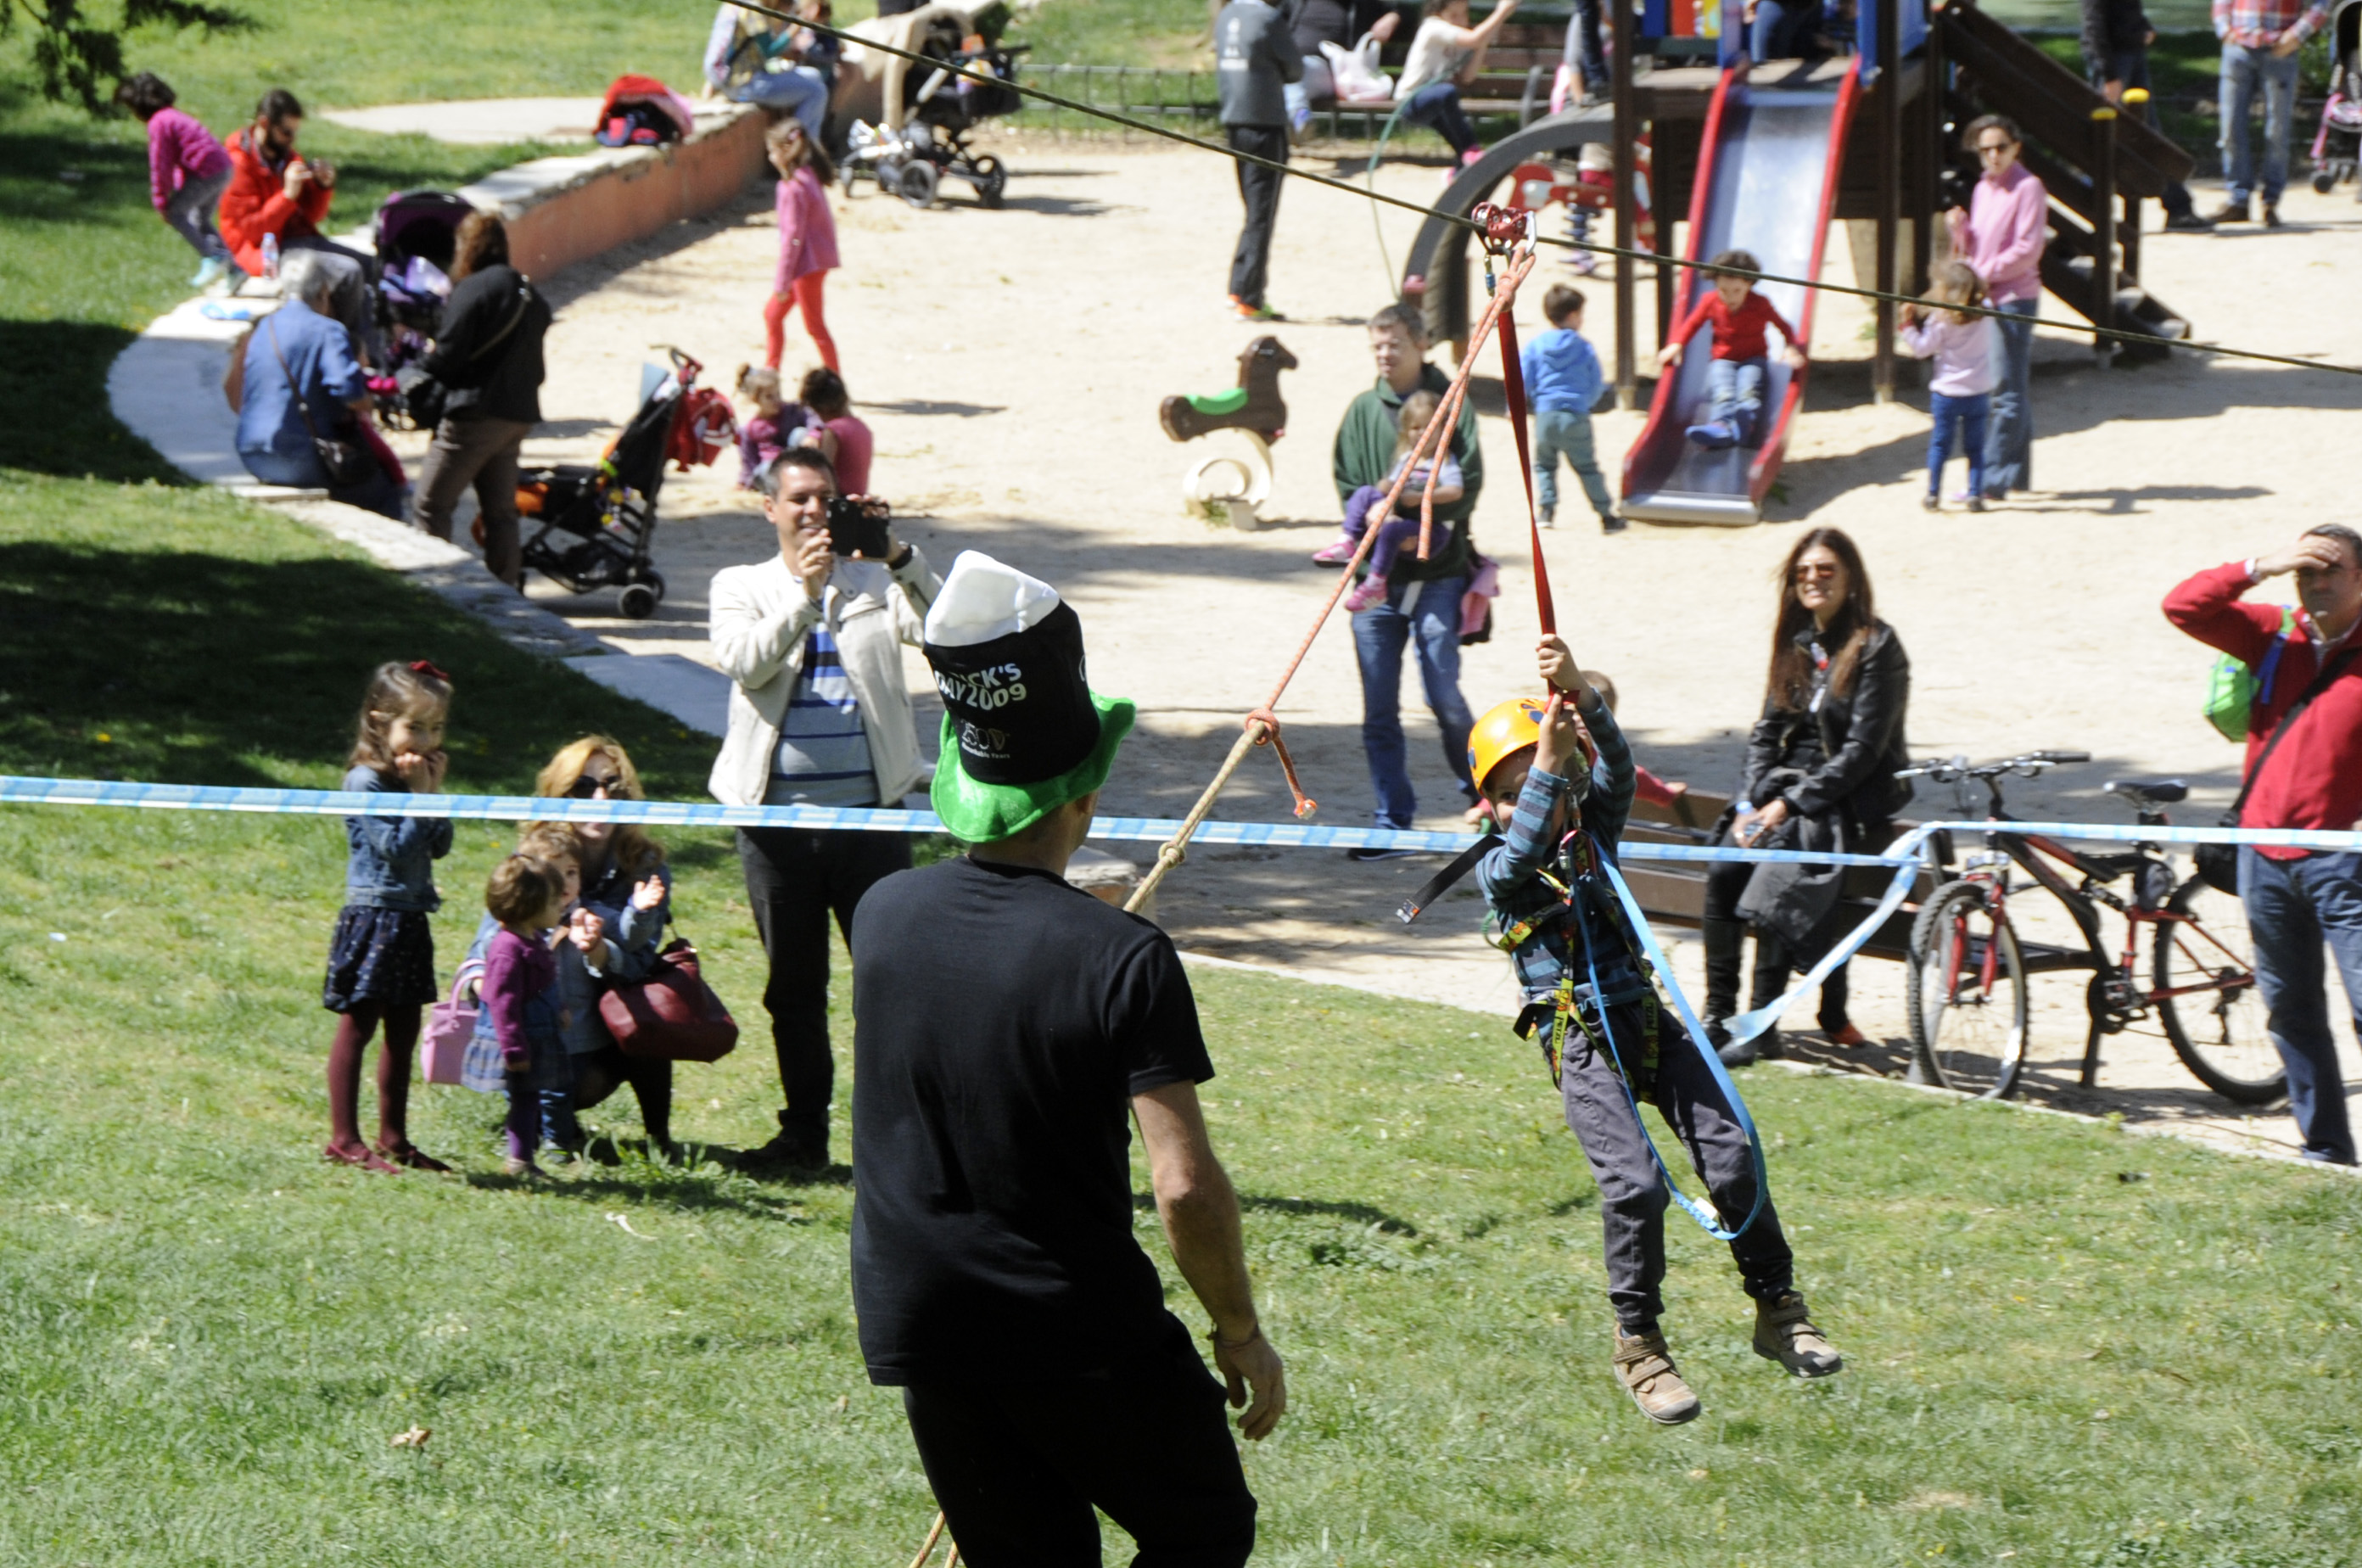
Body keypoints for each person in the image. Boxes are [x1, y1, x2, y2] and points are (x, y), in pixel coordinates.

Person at [852, 550, 1284, 1563]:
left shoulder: (882, 914)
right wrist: (1238, 1329)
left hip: (923, 1319)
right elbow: (1183, 1187)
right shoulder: (1124, 957)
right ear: (1086, 793)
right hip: (1070, 1327)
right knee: (1206, 1529)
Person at [1469, 635, 1840, 1425]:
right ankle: (1638, 1344)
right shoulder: (1497, 867)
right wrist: (1544, 767)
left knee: (1733, 1153)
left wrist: (1580, 701)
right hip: (1580, 1038)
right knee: (1633, 1186)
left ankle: (1779, 1306)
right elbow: (1524, 845)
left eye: (1535, 784)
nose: (1524, 802)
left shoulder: (1592, 834)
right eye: (1504, 793)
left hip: (1645, 1019)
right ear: (1486, 807)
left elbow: (1616, 768)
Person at [708, 448, 941, 1171]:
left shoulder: (873, 581)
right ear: (770, 509)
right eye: (799, 498)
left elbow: (947, 629)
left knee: (891, 987)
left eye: (825, 497)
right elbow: (745, 662)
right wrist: (805, 597)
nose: (813, 510)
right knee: (795, 991)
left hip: (872, 820)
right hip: (777, 825)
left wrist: (899, 554)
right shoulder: (740, 585)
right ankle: (804, 1135)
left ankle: (901, 1144)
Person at [2163, 525, 2362, 1165]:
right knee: (2291, 1012)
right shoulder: (2273, 636)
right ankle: (2326, 1150)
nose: (2316, 582)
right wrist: (2263, 565)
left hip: (2346, 862)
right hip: (2264, 858)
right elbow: (2184, 605)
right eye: (2307, 571)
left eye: (2330, 569)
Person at [1702, 528, 1911, 1067]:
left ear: (1850, 578)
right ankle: (1718, 1015)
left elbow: (1864, 750)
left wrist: (1790, 805)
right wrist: (1750, 802)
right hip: (1781, 796)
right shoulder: (1799, 645)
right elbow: (1765, 733)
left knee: (1779, 871)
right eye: (1803, 573)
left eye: (1825, 570)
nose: (1813, 580)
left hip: (1843, 802)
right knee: (1725, 865)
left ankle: (1758, 1025)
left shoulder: (1878, 646)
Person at [1334, 301, 1486, 854]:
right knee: (1378, 710)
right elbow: (1350, 480)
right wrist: (1371, 519)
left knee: (1443, 693)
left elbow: (1465, 484)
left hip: (1439, 575)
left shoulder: (1454, 404)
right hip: (1375, 582)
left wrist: (1406, 510)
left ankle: (1485, 795)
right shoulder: (1360, 412)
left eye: (1394, 342)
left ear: (1421, 344)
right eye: (1376, 343)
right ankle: (1392, 818)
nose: (1384, 353)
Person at [322, 661, 456, 1174]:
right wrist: (422, 798)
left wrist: (432, 797)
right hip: (374, 916)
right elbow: (395, 849)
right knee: (359, 1026)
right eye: (414, 727)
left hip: (411, 917)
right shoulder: (366, 783)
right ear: (380, 723)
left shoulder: (414, 781)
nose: (425, 741)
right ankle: (343, 1139)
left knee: (403, 1032)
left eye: (436, 729)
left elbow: (439, 845)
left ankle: (394, 1137)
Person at [531, 742, 682, 1157]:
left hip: (616, 1024)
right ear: (559, 796)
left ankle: (659, 1140)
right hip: (550, 1026)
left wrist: (599, 952)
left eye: (612, 788)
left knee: (650, 1000)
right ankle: (547, 1127)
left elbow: (638, 963)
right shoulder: (533, 859)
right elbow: (494, 937)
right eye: (582, 788)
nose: (600, 799)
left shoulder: (647, 867)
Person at [408, 210, 551, 589]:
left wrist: (417, 369)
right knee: (501, 513)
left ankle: (436, 588)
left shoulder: (473, 290)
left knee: (431, 504)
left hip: (475, 415)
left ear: (467, 248)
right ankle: (506, 592)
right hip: (517, 414)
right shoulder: (528, 293)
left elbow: (449, 356)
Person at [229, 250, 406, 519]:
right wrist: (371, 400)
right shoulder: (328, 330)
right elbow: (349, 392)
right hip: (299, 456)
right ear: (323, 291)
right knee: (386, 492)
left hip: (252, 452)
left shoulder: (264, 327)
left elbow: (237, 391)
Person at [217, 88, 380, 359]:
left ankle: (382, 348)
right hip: (266, 249)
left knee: (376, 267)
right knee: (350, 274)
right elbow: (251, 230)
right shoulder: (238, 163)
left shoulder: (287, 156)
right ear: (264, 123)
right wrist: (287, 196)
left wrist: (321, 186)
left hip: (301, 240)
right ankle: (359, 355)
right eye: (286, 132)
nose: (291, 140)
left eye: (295, 132)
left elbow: (312, 216)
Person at [1945, 115, 2046, 500]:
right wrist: (1960, 229)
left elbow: (2027, 249)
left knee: (2005, 392)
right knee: (2011, 386)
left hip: (2015, 297)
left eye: (2000, 147)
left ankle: (1987, 481)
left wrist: (1981, 274)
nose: (1993, 156)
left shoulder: (2029, 187)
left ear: (2016, 147)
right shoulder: (1984, 187)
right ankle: (2016, 474)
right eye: (1985, 149)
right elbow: (1975, 245)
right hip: (1988, 296)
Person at [473, 855, 568, 1178]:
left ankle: (523, 1157)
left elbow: (543, 985)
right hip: (520, 1041)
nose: (561, 907)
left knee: (530, 1099)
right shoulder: (507, 948)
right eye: (554, 901)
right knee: (524, 1100)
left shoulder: (534, 940)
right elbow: (502, 1002)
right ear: (531, 906)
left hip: (538, 1034)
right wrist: (514, 1049)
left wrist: (561, 1010)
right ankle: (519, 1160)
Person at [2079, 0, 2211, 230]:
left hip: (2131, 52)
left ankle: (2179, 207)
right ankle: (2085, 204)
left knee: (2149, 134)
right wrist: (2109, 75)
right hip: (2115, 59)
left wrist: (2143, 27)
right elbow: (2094, 25)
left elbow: (2127, 9)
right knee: (2108, 139)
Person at [1658, 249, 1806, 451]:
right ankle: (1720, 427)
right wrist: (1676, 344)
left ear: (1749, 284)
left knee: (1748, 386)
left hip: (1754, 358)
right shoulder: (1710, 301)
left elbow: (1783, 326)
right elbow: (1692, 324)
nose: (1729, 297)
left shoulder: (1760, 304)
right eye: (1724, 290)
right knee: (1723, 390)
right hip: (1722, 359)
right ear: (1716, 286)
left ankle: (1746, 422)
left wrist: (1790, 347)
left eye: (1737, 291)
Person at [1215, 0, 1302, 322]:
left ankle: (1238, 287)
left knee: (1252, 209)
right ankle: (1250, 298)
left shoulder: (1227, 13)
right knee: (1261, 213)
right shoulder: (1268, 18)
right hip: (1266, 123)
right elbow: (1296, 69)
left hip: (1234, 121)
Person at [2210, 0, 2328, 227]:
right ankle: (2238, 200)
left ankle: (2271, 201)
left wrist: (2295, 36)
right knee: (2230, 128)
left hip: (2279, 49)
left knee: (2277, 131)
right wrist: (2225, 30)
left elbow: (2322, 4)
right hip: (2238, 48)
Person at [114, 72, 234, 291]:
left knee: (177, 213)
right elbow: (183, 156)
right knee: (200, 219)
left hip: (207, 171)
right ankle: (235, 270)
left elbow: (161, 164)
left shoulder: (158, 124)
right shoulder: (173, 116)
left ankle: (212, 257)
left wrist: (161, 202)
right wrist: (180, 186)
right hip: (223, 168)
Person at [1898, 260, 2001, 512]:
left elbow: (1922, 349)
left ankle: (1933, 495)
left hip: (1947, 393)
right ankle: (1975, 495)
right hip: (1978, 391)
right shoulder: (1987, 311)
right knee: (1975, 448)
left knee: (1940, 446)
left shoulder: (1940, 319)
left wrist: (1906, 325)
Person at [1521, 283, 1620, 533]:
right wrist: (1585, 402)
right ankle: (1606, 515)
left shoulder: (1536, 345)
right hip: (1575, 414)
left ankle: (1546, 510)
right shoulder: (1583, 346)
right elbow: (1596, 382)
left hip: (1546, 414)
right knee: (1587, 467)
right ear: (1574, 315)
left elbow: (1523, 377)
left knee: (1544, 464)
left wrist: (1526, 401)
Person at [1394, 0, 1522, 168]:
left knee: (1460, 148)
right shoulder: (1433, 27)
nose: (1461, 21)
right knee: (1447, 93)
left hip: (1437, 103)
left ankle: (1459, 169)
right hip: (1412, 102)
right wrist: (1501, 11)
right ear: (1438, 13)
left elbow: (1468, 77)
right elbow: (1475, 38)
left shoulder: (1457, 39)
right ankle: (1471, 147)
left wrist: (1483, 43)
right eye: (1454, 15)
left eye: (1464, 14)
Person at [764, 119, 841, 373]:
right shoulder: (808, 176)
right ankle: (771, 370)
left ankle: (834, 381)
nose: (770, 156)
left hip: (806, 266)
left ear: (787, 151)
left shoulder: (792, 187)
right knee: (773, 315)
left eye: (773, 150)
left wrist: (782, 282)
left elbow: (792, 239)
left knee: (814, 325)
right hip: (815, 261)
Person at [703, 0, 833, 141]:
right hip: (744, 84)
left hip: (737, 79)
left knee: (814, 76)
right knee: (817, 91)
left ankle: (803, 146)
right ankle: (798, 151)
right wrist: (797, 26)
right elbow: (770, 51)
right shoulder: (753, 9)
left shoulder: (737, 4)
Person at [733, 365, 815, 490]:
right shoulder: (750, 429)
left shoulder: (792, 411)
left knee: (800, 433)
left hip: (792, 462)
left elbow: (813, 419)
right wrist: (743, 482)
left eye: (778, 394)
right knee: (766, 467)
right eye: (769, 397)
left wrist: (812, 436)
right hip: (769, 471)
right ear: (755, 399)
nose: (776, 400)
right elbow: (748, 461)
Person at [800, 366, 872, 495]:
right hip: (858, 499)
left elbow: (825, 473)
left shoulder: (833, 431)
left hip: (839, 501)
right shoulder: (862, 428)